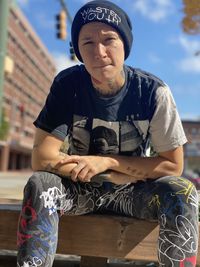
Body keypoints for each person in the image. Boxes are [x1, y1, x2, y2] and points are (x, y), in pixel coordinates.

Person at [17, 1, 199, 266]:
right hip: (80, 189)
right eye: (87, 42)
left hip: (132, 192)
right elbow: (42, 158)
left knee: (182, 191)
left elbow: (173, 165)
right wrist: (95, 170)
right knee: (41, 184)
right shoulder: (68, 85)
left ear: (125, 45)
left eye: (109, 39)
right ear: (78, 50)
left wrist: (108, 162)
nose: (99, 52)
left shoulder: (153, 92)